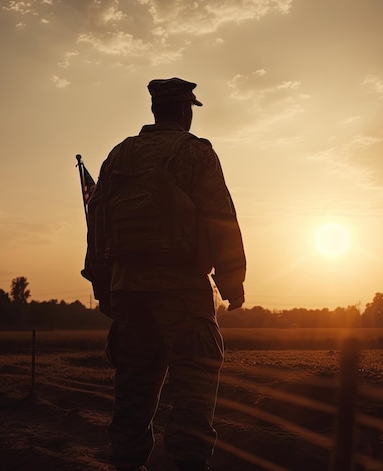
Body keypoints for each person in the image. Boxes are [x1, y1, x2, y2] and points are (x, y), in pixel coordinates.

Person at [82, 77, 246, 471]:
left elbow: (97, 222)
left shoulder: (119, 155)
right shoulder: (195, 153)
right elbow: (219, 217)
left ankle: (125, 463)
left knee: (133, 390)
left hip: (129, 291)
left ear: (155, 110)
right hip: (182, 290)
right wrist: (231, 281)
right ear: (186, 110)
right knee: (194, 388)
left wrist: (105, 288)